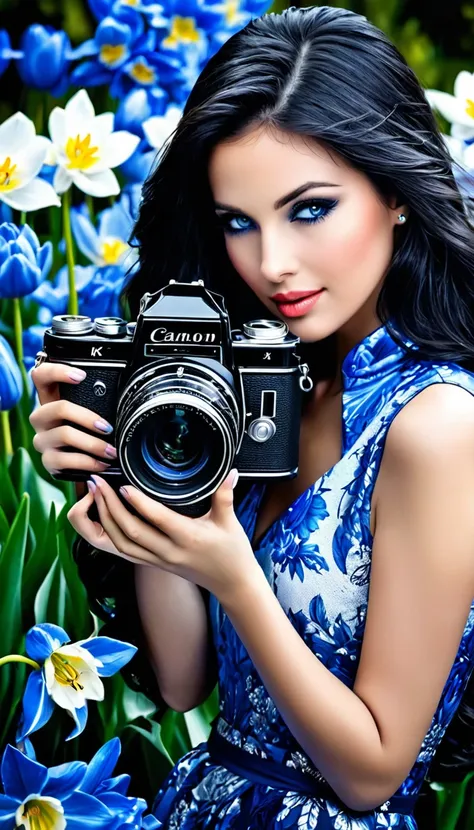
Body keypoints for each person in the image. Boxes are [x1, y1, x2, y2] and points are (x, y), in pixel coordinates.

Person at [30, 5, 474, 828]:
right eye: (238, 221)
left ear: (398, 193)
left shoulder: (437, 425)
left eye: (309, 210)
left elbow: (374, 771)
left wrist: (235, 580)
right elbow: (183, 682)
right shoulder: (270, 378)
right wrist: (131, 464)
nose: (272, 263)